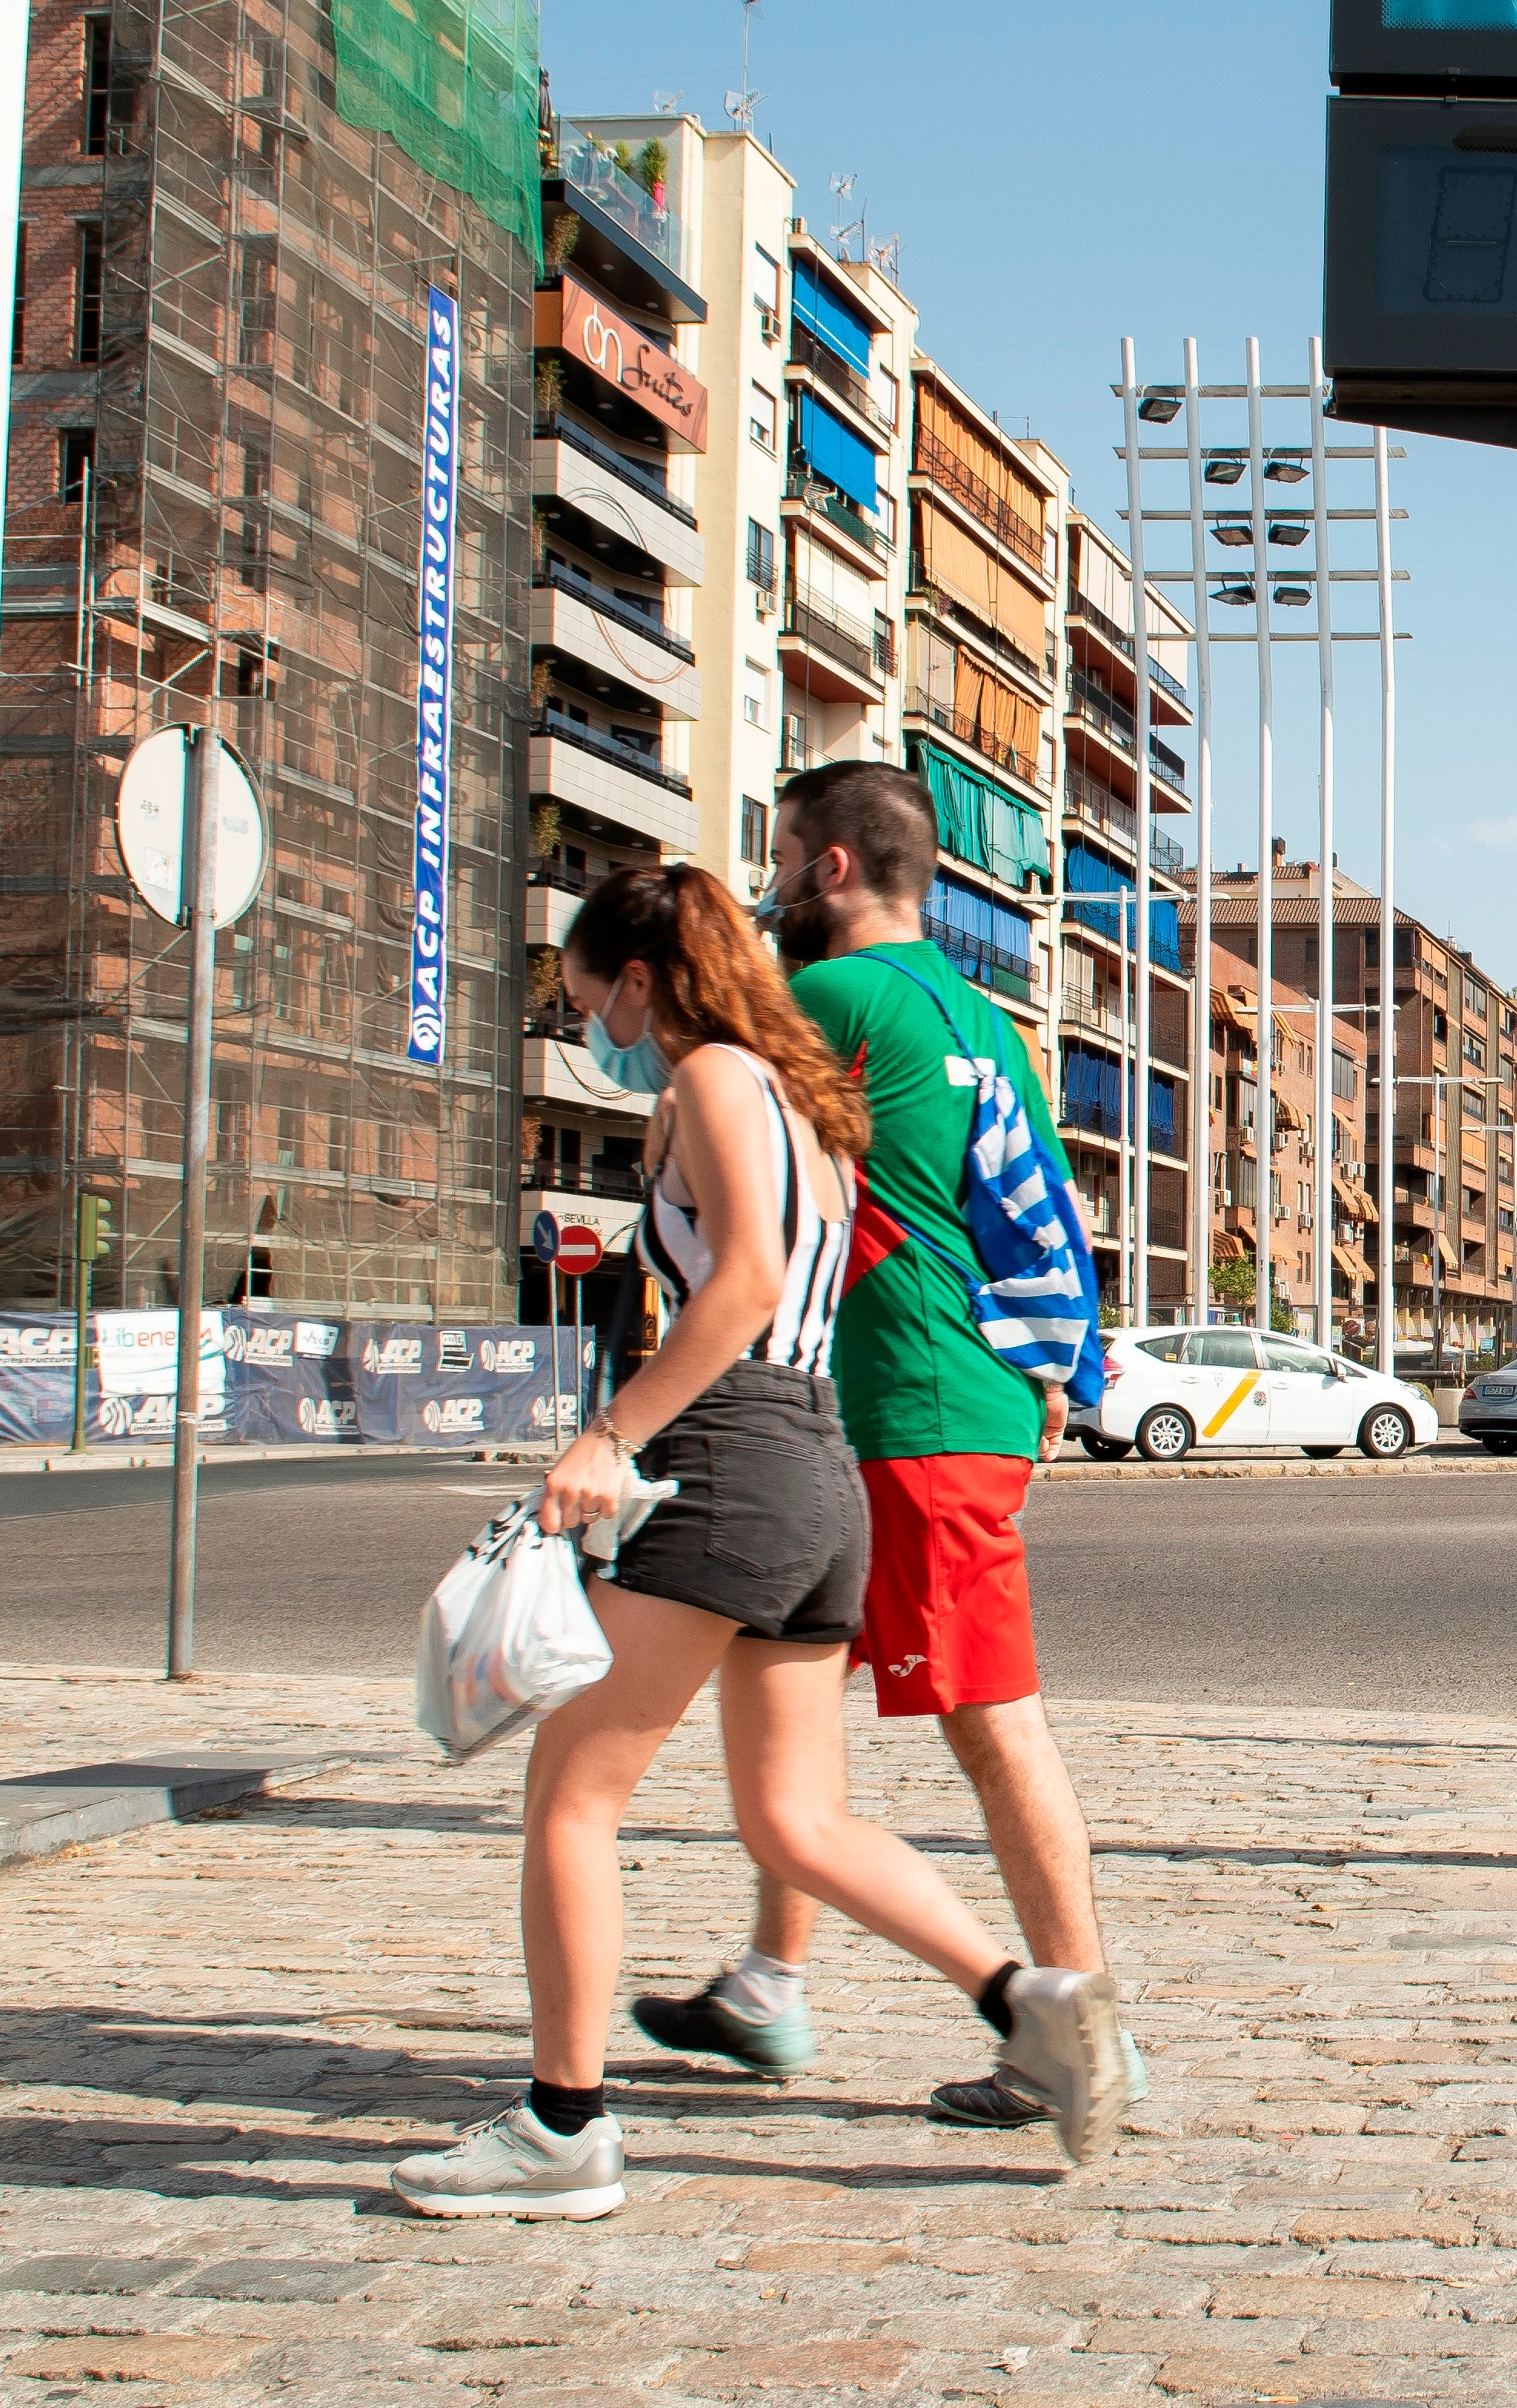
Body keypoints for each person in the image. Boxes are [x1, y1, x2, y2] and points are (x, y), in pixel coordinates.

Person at [391, 866, 1114, 2218]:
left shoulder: (715, 1082)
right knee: (796, 1817)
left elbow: (744, 1284)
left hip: (733, 1453)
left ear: (643, 982)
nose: (585, 1022)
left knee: (572, 1799)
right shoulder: (810, 1107)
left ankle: (564, 2130)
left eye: (586, 994)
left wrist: (611, 1437)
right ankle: (1033, 2008)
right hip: (817, 1465)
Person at [625, 760, 1141, 2150]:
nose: (771, 886)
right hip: (941, 1396)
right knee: (779, 1690)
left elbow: (709, 1121)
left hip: (903, 1404)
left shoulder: (829, 1003)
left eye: (782, 857)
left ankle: (1077, 2028)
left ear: (834, 868)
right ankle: (768, 1980)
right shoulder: (980, 1012)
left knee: (990, 1721)